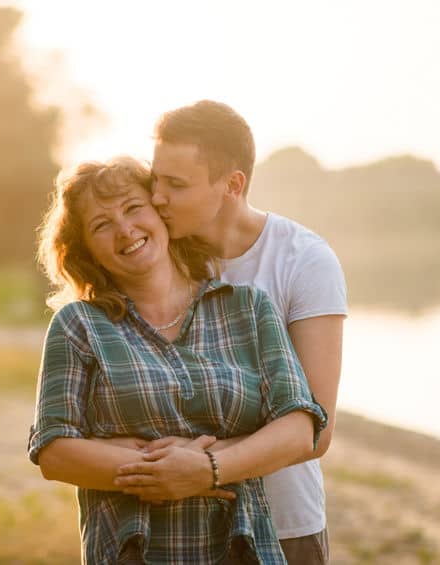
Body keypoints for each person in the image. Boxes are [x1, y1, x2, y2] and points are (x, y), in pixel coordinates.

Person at [28, 156, 327, 564]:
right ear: (86, 251)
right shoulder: (78, 325)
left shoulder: (248, 308)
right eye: (101, 225)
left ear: (161, 214)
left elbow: (299, 429)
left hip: (243, 551)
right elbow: (55, 450)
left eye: (134, 208)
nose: (125, 229)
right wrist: (166, 473)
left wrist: (207, 467)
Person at [116, 100, 348, 564]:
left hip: (282, 527)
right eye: (155, 179)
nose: (157, 197)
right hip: (170, 529)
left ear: (232, 185)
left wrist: (204, 465)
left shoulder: (303, 260)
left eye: (176, 185)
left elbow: (316, 432)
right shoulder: (153, 256)